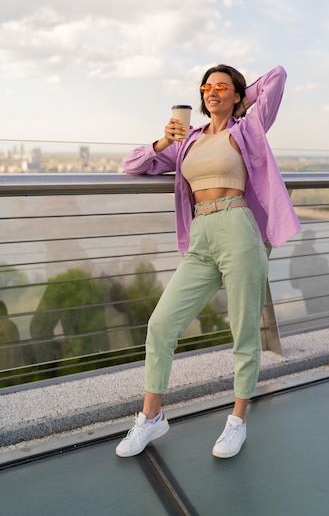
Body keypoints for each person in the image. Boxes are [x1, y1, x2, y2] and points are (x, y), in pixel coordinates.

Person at [116, 64, 300, 459]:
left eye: (221, 86)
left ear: (236, 94)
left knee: (244, 330)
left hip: (238, 229)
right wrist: (163, 142)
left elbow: (278, 76)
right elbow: (132, 165)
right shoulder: (189, 140)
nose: (211, 91)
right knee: (161, 324)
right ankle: (151, 418)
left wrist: (239, 101)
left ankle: (237, 421)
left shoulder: (247, 130)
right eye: (206, 87)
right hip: (201, 235)